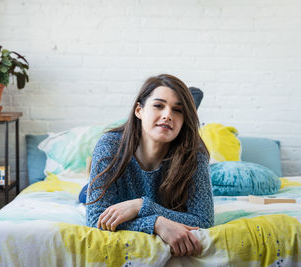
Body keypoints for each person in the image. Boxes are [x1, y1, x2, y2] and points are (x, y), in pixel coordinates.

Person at [85, 74, 214, 257]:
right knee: (85, 195)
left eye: (178, 110)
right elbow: (96, 218)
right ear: (139, 110)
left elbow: (204, 221)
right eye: (158, 106)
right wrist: (156, 223)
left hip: (143, 203)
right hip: (114, 196)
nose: (167, 115)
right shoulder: (110, 145)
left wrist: (141, 206)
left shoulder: (194, 154)